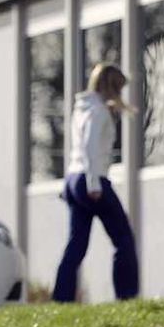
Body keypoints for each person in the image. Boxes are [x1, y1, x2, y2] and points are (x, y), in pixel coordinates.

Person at [52, 63, 139, 302]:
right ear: (112, 87)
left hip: (73, 178)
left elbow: (77, 149)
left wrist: (72, 184)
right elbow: (90, 148)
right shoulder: (99, 111)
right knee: (124, 240)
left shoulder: (81, 108)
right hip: (92, 179)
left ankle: (61, 298)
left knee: (76, 244)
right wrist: (92, 184)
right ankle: (127, 296)